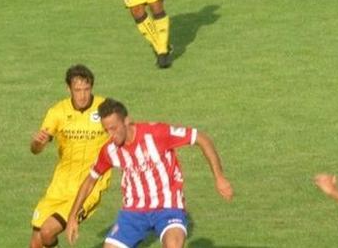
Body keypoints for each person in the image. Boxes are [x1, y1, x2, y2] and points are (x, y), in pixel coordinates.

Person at [65, 98, 233, 248]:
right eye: (106, 130)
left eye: (114, 128)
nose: (111, 135)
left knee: (173, 244)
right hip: (133, 211)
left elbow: (201, 138)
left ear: (127, 121)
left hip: (168, 207)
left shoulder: (157, 133)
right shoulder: (109, 151)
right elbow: (90, 181)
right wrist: (73, 216)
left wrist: (219, 177)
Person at [29, 65, 112, 248]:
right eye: (77, 90)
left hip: (89, 186)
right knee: (36, 243)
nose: (82, 95)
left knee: (48, 231)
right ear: (69, 89)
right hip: (59, 186)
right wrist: (37, 143)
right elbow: (36, 149)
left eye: (86, 89)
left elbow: (124, 135)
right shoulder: (57, 112)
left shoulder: (105, 108)